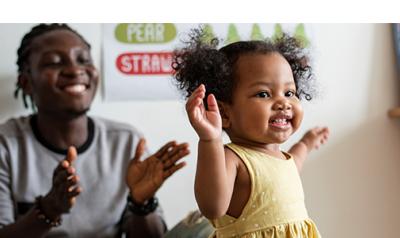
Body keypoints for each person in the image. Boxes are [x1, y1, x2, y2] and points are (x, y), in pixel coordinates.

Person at [0, 23, 190, 238]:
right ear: (26, 83)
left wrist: (141, 203)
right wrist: (48, 210)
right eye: (54, 62)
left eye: (84, 60)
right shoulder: (5, 145)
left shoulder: (127, 142)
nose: (74, 70)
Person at [172, 29, 329, 237]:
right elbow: (213, 207)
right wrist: (210, 139)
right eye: (264, 94)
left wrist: (307, 143)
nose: (283, 102)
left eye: (289, 92)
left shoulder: (282, 158)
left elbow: (293, 165)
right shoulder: (233, 158)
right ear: (224, 113)